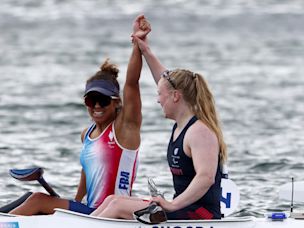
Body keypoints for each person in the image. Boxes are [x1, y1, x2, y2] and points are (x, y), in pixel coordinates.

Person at [6, 16, 151, 216]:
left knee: (37, 200)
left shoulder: (125, 129)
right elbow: (86, 173)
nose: (97, 106)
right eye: (91, 101)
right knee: (32, 198)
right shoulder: (87, 134)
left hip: (114, 215)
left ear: (117, 101)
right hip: (92, 212)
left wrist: (138, 44)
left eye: (103, 100)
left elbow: (132, 84)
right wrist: (74, 203)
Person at [91, 15, 228, 220]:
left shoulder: (200, 131)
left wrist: (172, 205)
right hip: (183, 209)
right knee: (113, 200)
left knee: (118, 207)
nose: (157, 100)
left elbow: (206, 178)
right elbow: (165, 81)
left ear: (175, 97)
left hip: (200, 215)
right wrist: (143, 47)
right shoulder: (183, 122)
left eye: (159, 95)